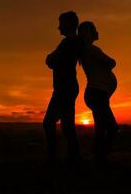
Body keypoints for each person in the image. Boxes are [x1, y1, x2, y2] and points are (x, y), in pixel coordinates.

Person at [78, 21, 118, 168]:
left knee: (101, 128)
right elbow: (112, 62)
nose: (97, 31)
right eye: (94, 29)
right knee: (112, 128)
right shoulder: (91, 50)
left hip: (96, 93)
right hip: (97, 93)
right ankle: (101, 157)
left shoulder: (87, 51)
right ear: (88, 33)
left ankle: (99, 159)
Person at [43, 11, 81, 167]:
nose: (59, 27)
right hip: (67, 87)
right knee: (67, 126)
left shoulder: (68, 43)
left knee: (49, 123)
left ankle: (54, 158)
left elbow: (51, 61)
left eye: (61, 23)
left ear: (70, 24)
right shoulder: (72, 42)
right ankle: (74, 159)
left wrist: (50, 57)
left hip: (64, 88)